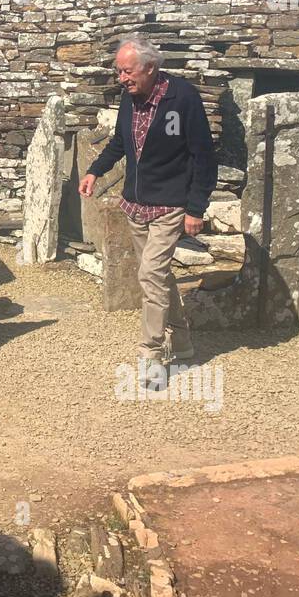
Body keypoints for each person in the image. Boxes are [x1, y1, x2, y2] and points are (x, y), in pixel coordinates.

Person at [79, 35, 217, 369]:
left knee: (151, 276)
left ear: (151, 67)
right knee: (157, 275)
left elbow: (204, 156)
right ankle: (182, 339)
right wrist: (95, 171)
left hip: (170, 205)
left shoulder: (183, 98)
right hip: (136, 205)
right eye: (118, 72)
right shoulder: (130, 97)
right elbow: (119, 143)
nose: (121, 78)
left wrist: (196, 208)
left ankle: (151, 353)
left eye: (127, 71)